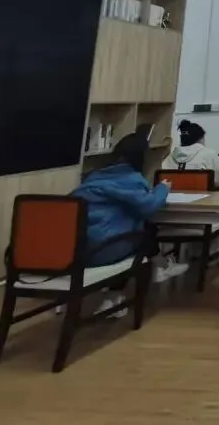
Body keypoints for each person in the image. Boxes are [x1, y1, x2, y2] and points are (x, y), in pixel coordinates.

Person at [71, 132, 185, 316]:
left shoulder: (93, 177)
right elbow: (149, 206)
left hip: (79, 249)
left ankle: (159, 267)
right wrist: (163, 188)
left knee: (135, 228)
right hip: (106, 251)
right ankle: (157, 269)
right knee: (144, 232)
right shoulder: (132, 179)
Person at [162, 120, 219, 187]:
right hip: (203, 194)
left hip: (172, 193)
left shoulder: (170, 157)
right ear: (201, 138)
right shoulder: (209, 154)